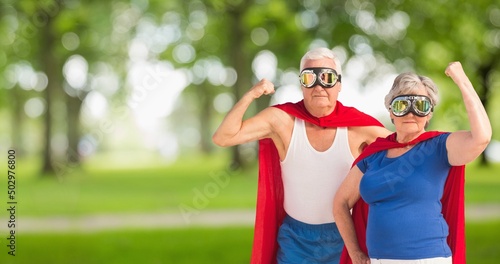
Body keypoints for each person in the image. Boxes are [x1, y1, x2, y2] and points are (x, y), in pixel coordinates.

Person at [212, 47, 391, 264]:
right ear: (301, 84)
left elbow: (409, 149)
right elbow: (223, 137)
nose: (318, 86)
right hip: (296, 240)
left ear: (339, 84)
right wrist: (252, 94)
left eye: (327, 77)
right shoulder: (283, 121)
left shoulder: (359, 128)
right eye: (309, 78)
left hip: (344, 238)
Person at [333, 62, 492, 264]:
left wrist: (461, 79)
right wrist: (355, 253)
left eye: (420, 105)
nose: (411, 113)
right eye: (402, 105)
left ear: (429, 114)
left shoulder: (439, 147)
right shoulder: (374, 156)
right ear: (391, 112)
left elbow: (482, 138)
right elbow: (341, 203)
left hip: (428, 259)